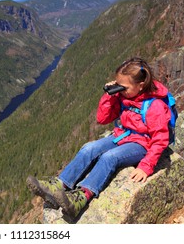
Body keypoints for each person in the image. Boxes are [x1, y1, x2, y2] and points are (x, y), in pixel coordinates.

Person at [27, 57, 171, 220]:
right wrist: (110, 96)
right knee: (89, 148)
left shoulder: (155, 106)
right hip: (122, 135)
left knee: (109, 157)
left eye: (123, 87)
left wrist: (146, 166)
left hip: (142, 144)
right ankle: (60, 185)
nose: (120, 89)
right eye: (118, 85)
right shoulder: (125, 96)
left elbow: (160, 139)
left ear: (141, 85)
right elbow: (102, 119)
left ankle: (81, 197)